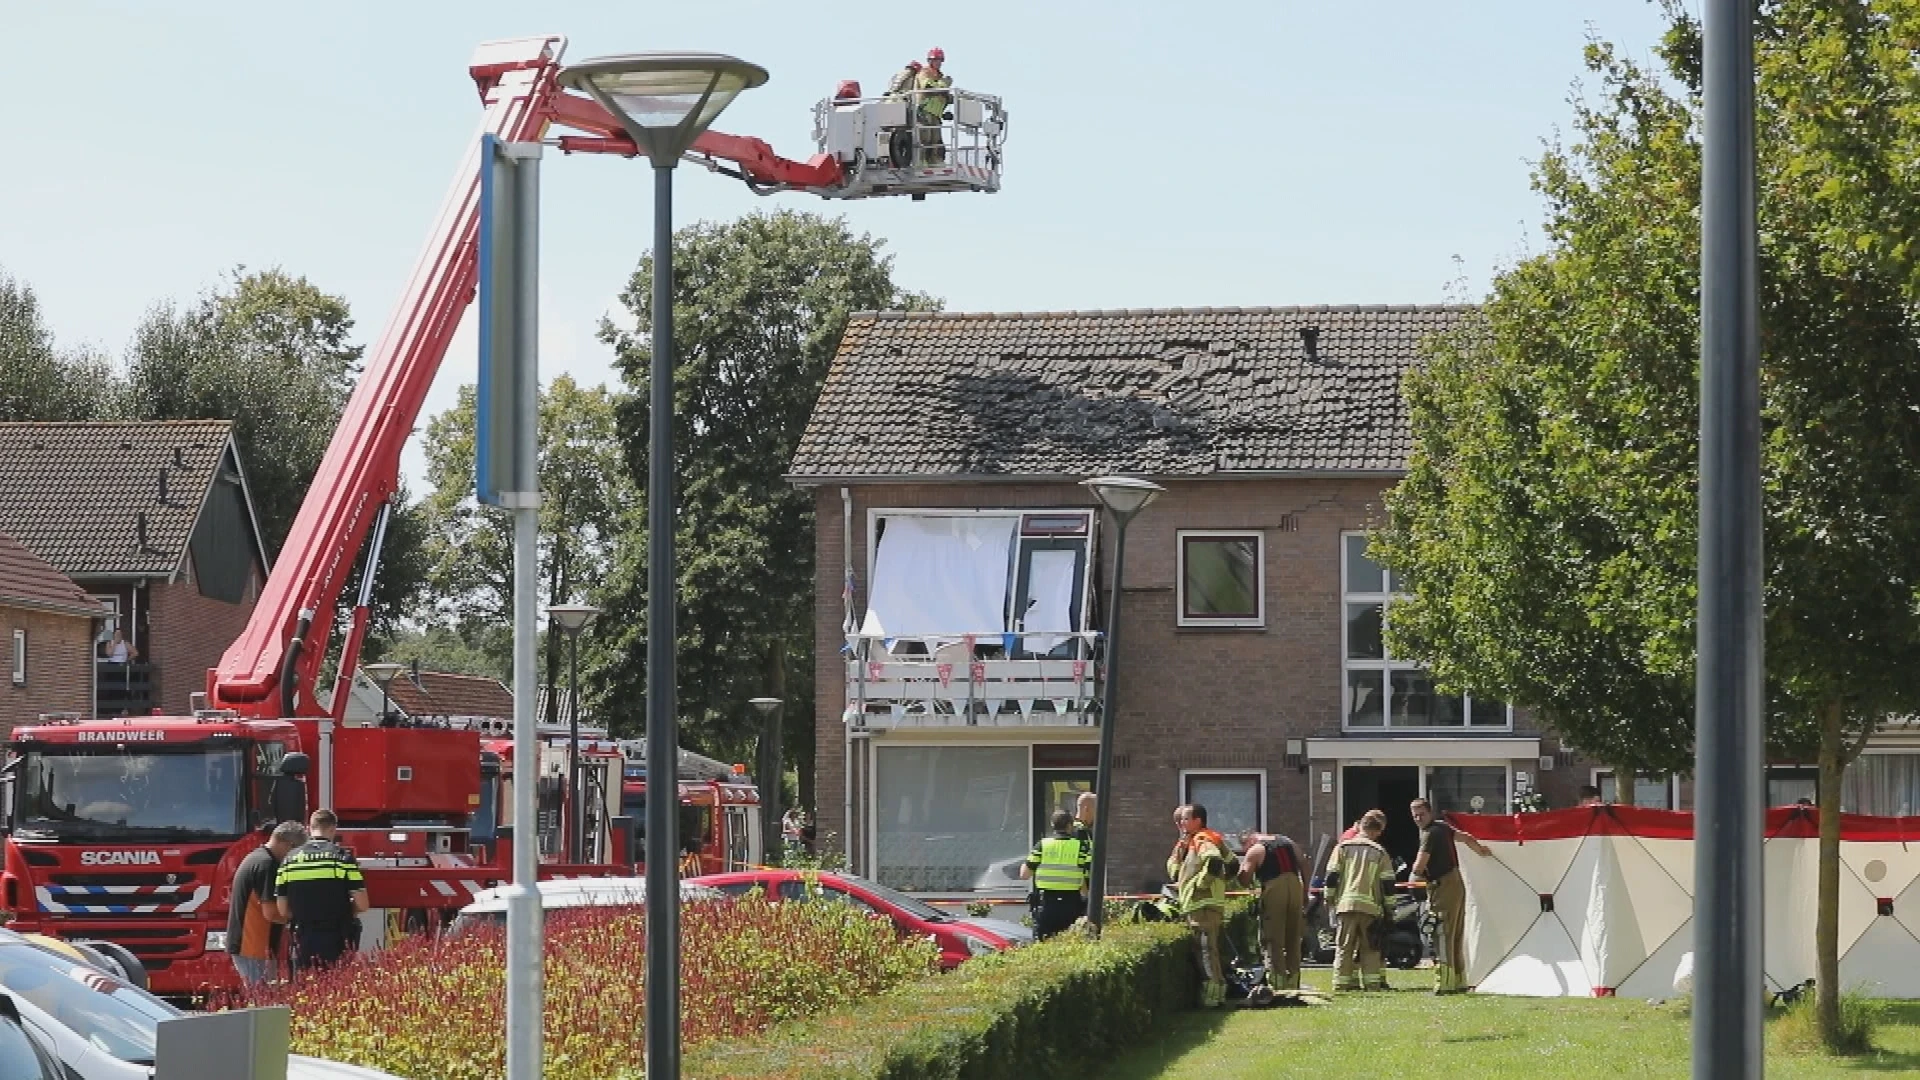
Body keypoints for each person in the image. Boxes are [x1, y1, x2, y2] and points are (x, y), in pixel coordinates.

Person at [1409, 798, 1492, 995]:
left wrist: (1414, 877)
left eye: (1421, 814)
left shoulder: (1429, 834)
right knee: (1456, 933)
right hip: (1456, 883)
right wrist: (1481, 851)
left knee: (1442, 933)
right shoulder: (1443, 828)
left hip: (1442, 886)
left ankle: (1445, 984)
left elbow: (1419, 865)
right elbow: (1466, 837)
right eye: (1415, 815)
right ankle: (1459, 980)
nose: (1418, 818)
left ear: (1430, 812)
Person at [274, 809, 368, 974]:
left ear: (309, 828)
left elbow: (282, 910)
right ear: (333, 829)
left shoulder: (288, 861)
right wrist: (347, 912)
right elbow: (363, 904)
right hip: (337, 936)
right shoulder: (343, 858)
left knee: (306, 984)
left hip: (303, 936)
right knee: (335, 984)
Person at [1167, 803, 1231, 1007]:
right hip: (1207, 903)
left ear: (1198, 821)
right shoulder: (1204, 839)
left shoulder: (1201, 839)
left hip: (1202, 904)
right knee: (1211, 950)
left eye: (1186, 819)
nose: (1181, 823)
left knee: (1204, 951)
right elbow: (1233, 865)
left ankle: (1211, 996)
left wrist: (1200, 885)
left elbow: (1214, 862)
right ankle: (1218, 994)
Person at [1324, 809, 1395, 992]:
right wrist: (1390, 909)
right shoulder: (1380, 852)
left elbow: (1331, 876)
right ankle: (1372, 985)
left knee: (1344, 947)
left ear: (1361, 826)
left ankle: (1341, 985)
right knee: (1370, 948)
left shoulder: (1342, 848)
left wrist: (1329, 898)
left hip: (1345, 906)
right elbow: (1388, 884)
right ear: (1377, 831)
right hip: (1370, 908)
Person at [228, 821, 306, 987]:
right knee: (260, 997)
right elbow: (271, 912)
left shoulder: (257, 858)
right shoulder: (267, 865)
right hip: (254, 946)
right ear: (288, 845)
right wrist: (301, 918)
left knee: (262, 995)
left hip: (249, 945)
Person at [1240, 828, 1306, 991]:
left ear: (1249, 841)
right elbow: (1304, 864)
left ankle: (1277, 983)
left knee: (1272, 939)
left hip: (1274, 889)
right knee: (1293, 937)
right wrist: (1305, 891)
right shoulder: (1289, 843)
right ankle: (1294, 981)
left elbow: (1244, 878)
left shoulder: (1256, 850)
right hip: (1295, 887)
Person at [1020, 810, 1092, 939]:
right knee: (1070, 942)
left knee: (1042, 943)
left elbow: (1024, 874)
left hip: (1046, 904)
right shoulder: (1081, 847)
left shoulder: (1042, 845)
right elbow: (1087, 877)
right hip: (1071, 904)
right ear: (1070, 825)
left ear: (1052, 825)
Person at [914, 47, 953, 164]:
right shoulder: (924, 72)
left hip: (936, 115)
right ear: (930, 61)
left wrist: (950, 97)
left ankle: (935, 163)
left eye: (940, 60)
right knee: (925, 140)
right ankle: (922, 164)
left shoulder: (939, 76)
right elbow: (928, 87)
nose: (938, 63)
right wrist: (943, 85)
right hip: (924, 112)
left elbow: (943, 94)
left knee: (936, 142)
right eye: (936, 60)